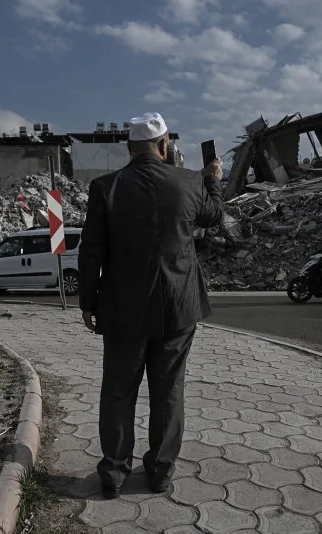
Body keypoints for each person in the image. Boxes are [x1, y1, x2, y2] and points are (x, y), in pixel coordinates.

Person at [78, 112, 225, 499]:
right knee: (169, 390)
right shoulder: (189, 182)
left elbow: (91, 251)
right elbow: (215, 216)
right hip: (179, 308)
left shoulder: (106, 187)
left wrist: (88, 303)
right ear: (165, 146)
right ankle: (160, 472)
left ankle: (113, 472)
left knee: (118, 392)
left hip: (122, 311)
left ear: (129, 148)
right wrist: (212, 179)